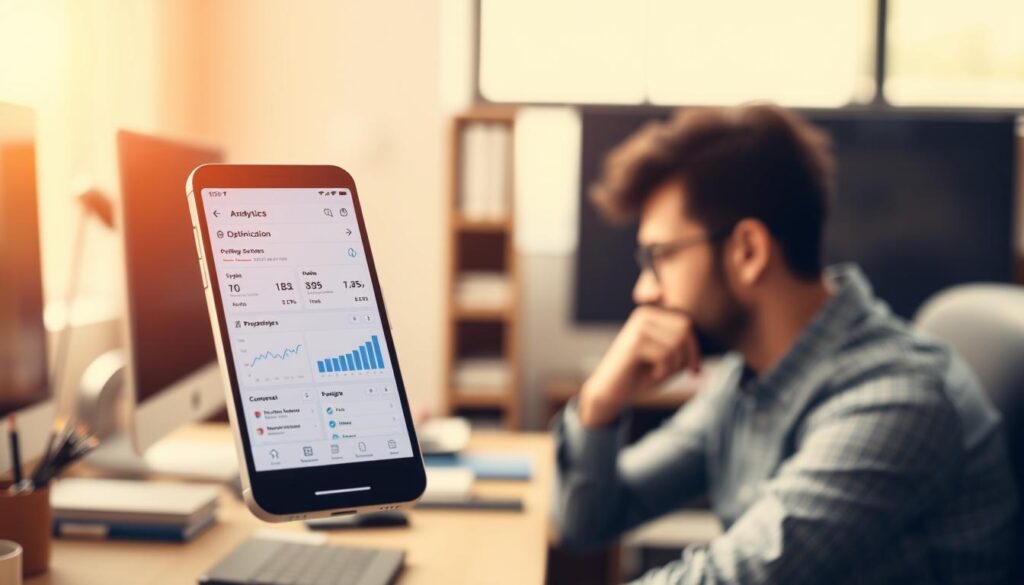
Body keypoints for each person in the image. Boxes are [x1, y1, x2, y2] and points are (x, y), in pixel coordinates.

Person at [553, 104, 1018, 584]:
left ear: (748, 251)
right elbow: (586, 523)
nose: (644, 291)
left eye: (660, 257)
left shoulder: (894, 402)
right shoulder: (748, 377)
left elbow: (725, 578)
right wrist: (600, 401)